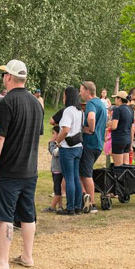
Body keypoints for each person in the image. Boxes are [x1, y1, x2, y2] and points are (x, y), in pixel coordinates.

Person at [0, 59, 43, 269]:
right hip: (29, 168)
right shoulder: (36, 103)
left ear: (8, 77)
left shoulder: (6, 103)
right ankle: (27, 255)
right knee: (28, 213)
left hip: (8, 167)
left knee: (5, 215)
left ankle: (2, 261)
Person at [52, 86, 84, 215]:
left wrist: (56, 142)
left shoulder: (68, 111)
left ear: (68, 96)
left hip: (68, 147)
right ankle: (77, 205)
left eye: (64, 95)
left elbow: (65, 130)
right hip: (78, 146)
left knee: (69, 177)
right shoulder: (79, 111)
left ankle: (70, 207)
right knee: (76, 177)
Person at [78, 81, 107, 212]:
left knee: (86, 173)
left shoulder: (91, 103)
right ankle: (84, 196)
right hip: (98, 144)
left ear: (88, 91)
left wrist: (91, 128)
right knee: (82, 172)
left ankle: (92, 203)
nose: (80, 93)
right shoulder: (101, 103)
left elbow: (91, 117)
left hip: (90, 143)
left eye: (81, 90)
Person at [109, 91, 134, 167]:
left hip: (118, 140)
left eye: (116, 98)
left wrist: (108, 123)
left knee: (118, 166)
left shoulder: (118, 110)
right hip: (127, 139)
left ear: (119, 99)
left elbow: (114, 126)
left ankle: (119, 179)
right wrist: (131, 144)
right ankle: (126, 179)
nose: (115, 100)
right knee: (126, 165)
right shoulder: (130, 110)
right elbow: (131, 128)